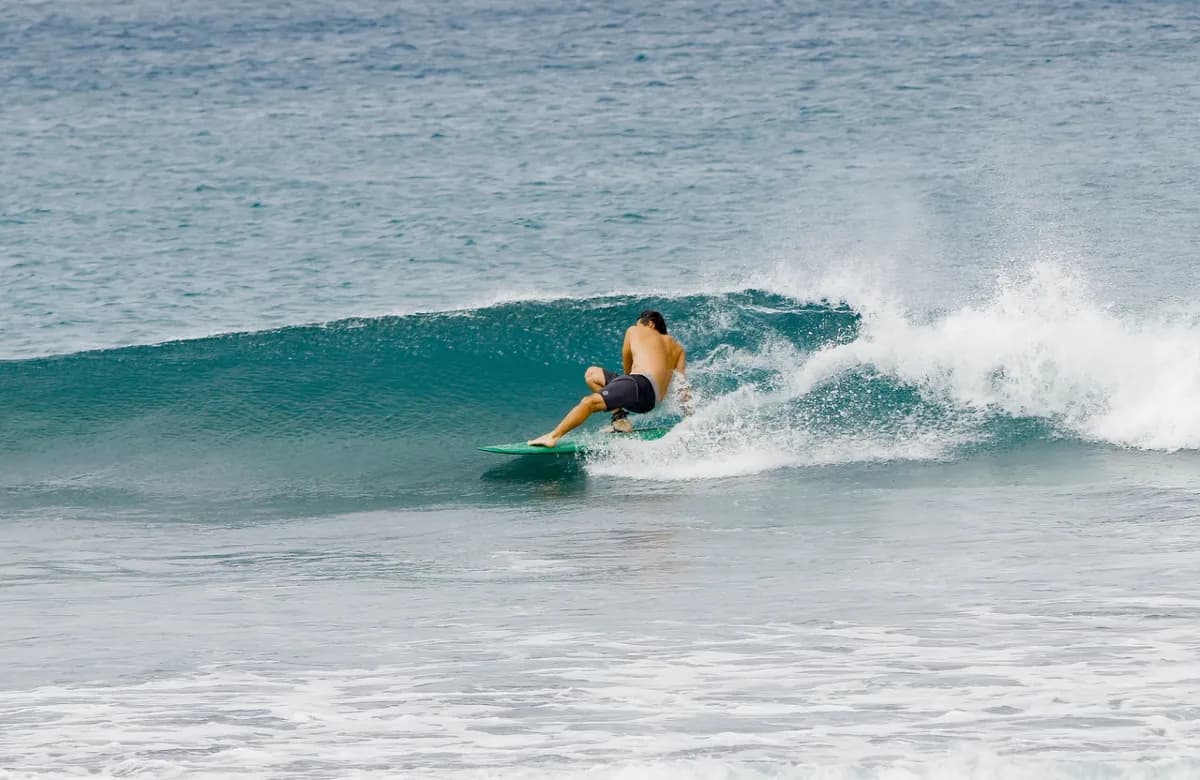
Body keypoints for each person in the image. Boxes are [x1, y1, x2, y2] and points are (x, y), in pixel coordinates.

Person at [528, 310, 690, 448]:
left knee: (589, 402)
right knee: (593, 374)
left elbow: (627, 368)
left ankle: (553, 437)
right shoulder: (678, 349)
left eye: (639, 323)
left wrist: (620, 389)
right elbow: (681, 385)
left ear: (650, 324)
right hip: (650, 401)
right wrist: (690, 417)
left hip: (637, 384)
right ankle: (620, 420)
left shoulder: (635, 330)